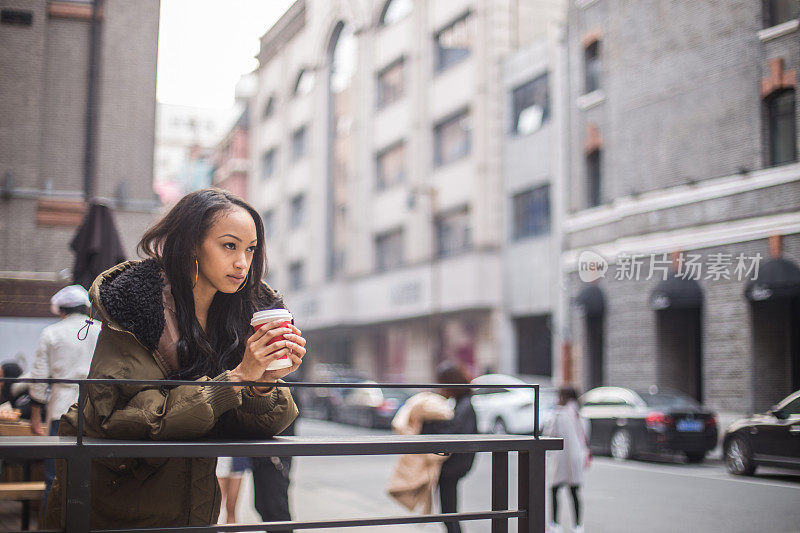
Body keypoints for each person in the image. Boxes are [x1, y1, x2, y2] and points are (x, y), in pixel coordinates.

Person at [44, 187, 305, 529]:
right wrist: (239, 378)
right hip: (115, 497)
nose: (242, 262)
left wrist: (263, 383)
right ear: (192, 243)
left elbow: (260, 425)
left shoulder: (239, 316)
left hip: (192, 503)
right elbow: (124, 416)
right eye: (229, 245)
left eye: (251, 249)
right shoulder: (136, 309)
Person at [27, 284, 101, 507]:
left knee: (54, 476)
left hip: (60, 409)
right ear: (85, 308)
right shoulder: (101, 330)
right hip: (94, 409)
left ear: (62, 310)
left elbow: (39, 376)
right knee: (91, 478)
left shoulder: (51, 332)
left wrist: (35, 416)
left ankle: (52, 525)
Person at [420, 361, 478, 533]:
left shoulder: (465, 405)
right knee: (448, 513)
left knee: (448, 514)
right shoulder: (462, 402)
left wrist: (426, 426)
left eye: (443, 383)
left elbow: (452, 429)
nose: (441, 388)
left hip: (452, 466)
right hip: (453, 464)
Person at [543, 386, 590, 533]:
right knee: (574, 491)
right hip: (576, 458)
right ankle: (578, 525)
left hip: (560, 458)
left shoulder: (559, 414)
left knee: (554, 489)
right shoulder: (580, 415)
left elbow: (549, 433)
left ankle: (555, 524)